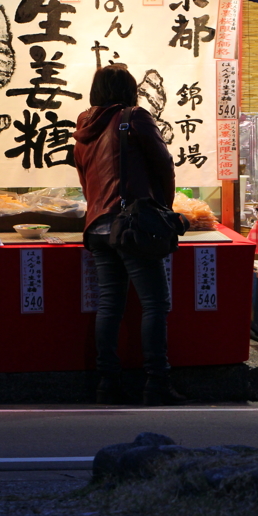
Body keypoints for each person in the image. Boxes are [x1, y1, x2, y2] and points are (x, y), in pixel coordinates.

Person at [73, 66, 186, 406]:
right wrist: (162, 209)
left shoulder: (84, 125)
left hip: (97, 226)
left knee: (110, 305)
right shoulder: (134, 116)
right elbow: (164, 163)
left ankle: (107, 383)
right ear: (130, 90)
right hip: (132, 226)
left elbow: (83, 178)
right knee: (155, 303)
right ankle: (157, 382)